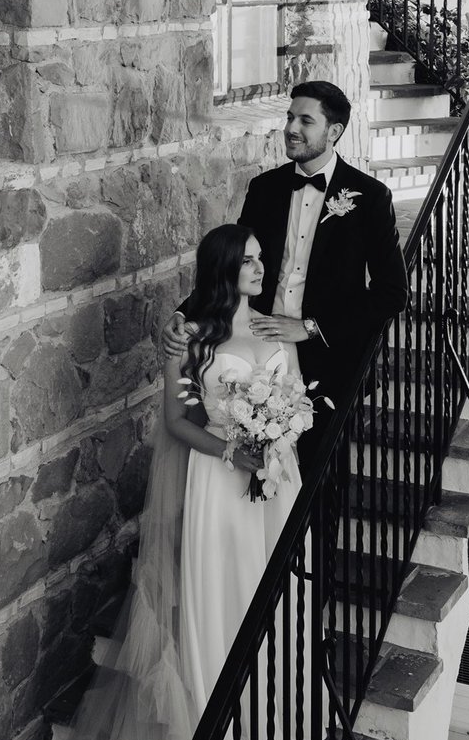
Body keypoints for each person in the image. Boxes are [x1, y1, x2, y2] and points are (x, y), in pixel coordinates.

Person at [0, 225, 313, 740]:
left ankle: (268, 703)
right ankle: (212, 709)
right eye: (247, 259)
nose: (259, 265)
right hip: (218, 486)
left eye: (260, 257)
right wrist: (234, 448)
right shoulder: (188, 339)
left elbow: (299, 399)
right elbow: (177, 421)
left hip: (273, 483)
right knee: (218, 591)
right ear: (223, 268)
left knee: (269, 587)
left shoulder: (276, 331)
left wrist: (283, 431)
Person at [165, 80, 409, 472]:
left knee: (316, 482)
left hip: (327, 361)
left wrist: (310, 328)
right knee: (252, 470)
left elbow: (392, 293)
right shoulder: (265, 188)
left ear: (334, 132)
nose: (292, 128)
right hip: (259, 355)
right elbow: (232, 264)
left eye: (305, 121)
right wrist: (182, 314)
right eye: (290, 117)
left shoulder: (370, 198)